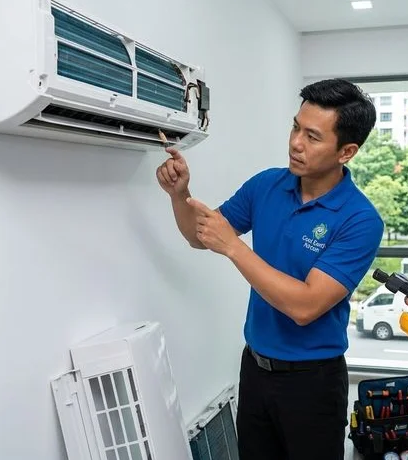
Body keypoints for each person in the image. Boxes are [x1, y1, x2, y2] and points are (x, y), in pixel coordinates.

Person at [156, 78, 384, 460]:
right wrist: (180, 195)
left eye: (312, 137)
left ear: (346, 151)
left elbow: (305, 306)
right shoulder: (266, 186)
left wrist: (233, 247)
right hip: (255, 370)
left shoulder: (360, 219)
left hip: (313, 383)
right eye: (296, 127)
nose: (296, 143)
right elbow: (200, 236)